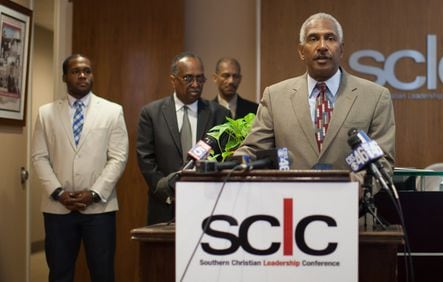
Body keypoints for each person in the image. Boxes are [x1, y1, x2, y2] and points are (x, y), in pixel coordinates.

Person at [235, 12, 395, 182]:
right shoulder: (275, 96)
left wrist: (357, 186)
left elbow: (383, 161)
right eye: (313, 39)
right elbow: (253, 150)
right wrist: (229, 164)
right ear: (301, 51)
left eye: (330, 38)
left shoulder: (375, 97)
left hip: (352, 204)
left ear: (341, 49)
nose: (322, 46)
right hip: (290, 203)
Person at [31, 54, 129, 282]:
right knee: (59, 273)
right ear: (65, 77)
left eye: (87, 70)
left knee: (103, 273)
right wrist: (59, 193)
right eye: (76, 71)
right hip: (58, 209)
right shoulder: (46, 113)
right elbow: (39, 157)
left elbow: (118, 157)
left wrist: (94, 193)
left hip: (99, 209)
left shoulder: (112, 111)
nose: (83, 75)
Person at [137, 52, 231, 225]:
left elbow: (225, 158)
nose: (195, 84)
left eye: (200, 79)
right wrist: (167, 192)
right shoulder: (151, 113)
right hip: (164, 206)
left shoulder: (220, 114)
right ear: (173, 80)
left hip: (208, 205)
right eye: (188, 78)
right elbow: (146, 159)